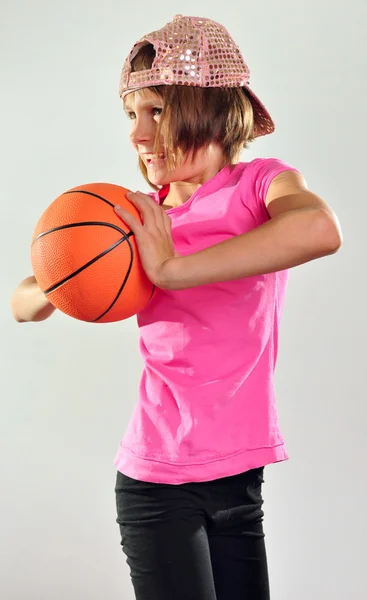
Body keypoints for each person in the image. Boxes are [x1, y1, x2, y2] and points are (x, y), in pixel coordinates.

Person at [10, 14, 342, 600]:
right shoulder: (134, 220)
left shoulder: (262, 185)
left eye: (156, 111)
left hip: (240, 478)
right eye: (131, 115)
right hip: (159, 482)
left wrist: (171, 270)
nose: (138, 134)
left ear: (207, 109)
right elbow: (22, 302)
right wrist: (62, 279)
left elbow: (318, 229)